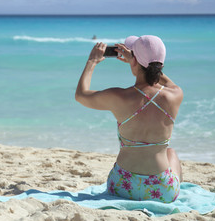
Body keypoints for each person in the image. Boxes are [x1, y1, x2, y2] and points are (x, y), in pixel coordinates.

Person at [75, 35, 183, 203]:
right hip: (161, 191)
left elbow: (81, 95)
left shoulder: (119, 96)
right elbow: (165, 81)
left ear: (134, 61)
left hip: (121, 186)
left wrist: (92, 61)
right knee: (171, 153)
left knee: (167, 152)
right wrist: (139, 63)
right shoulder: (175, 95)